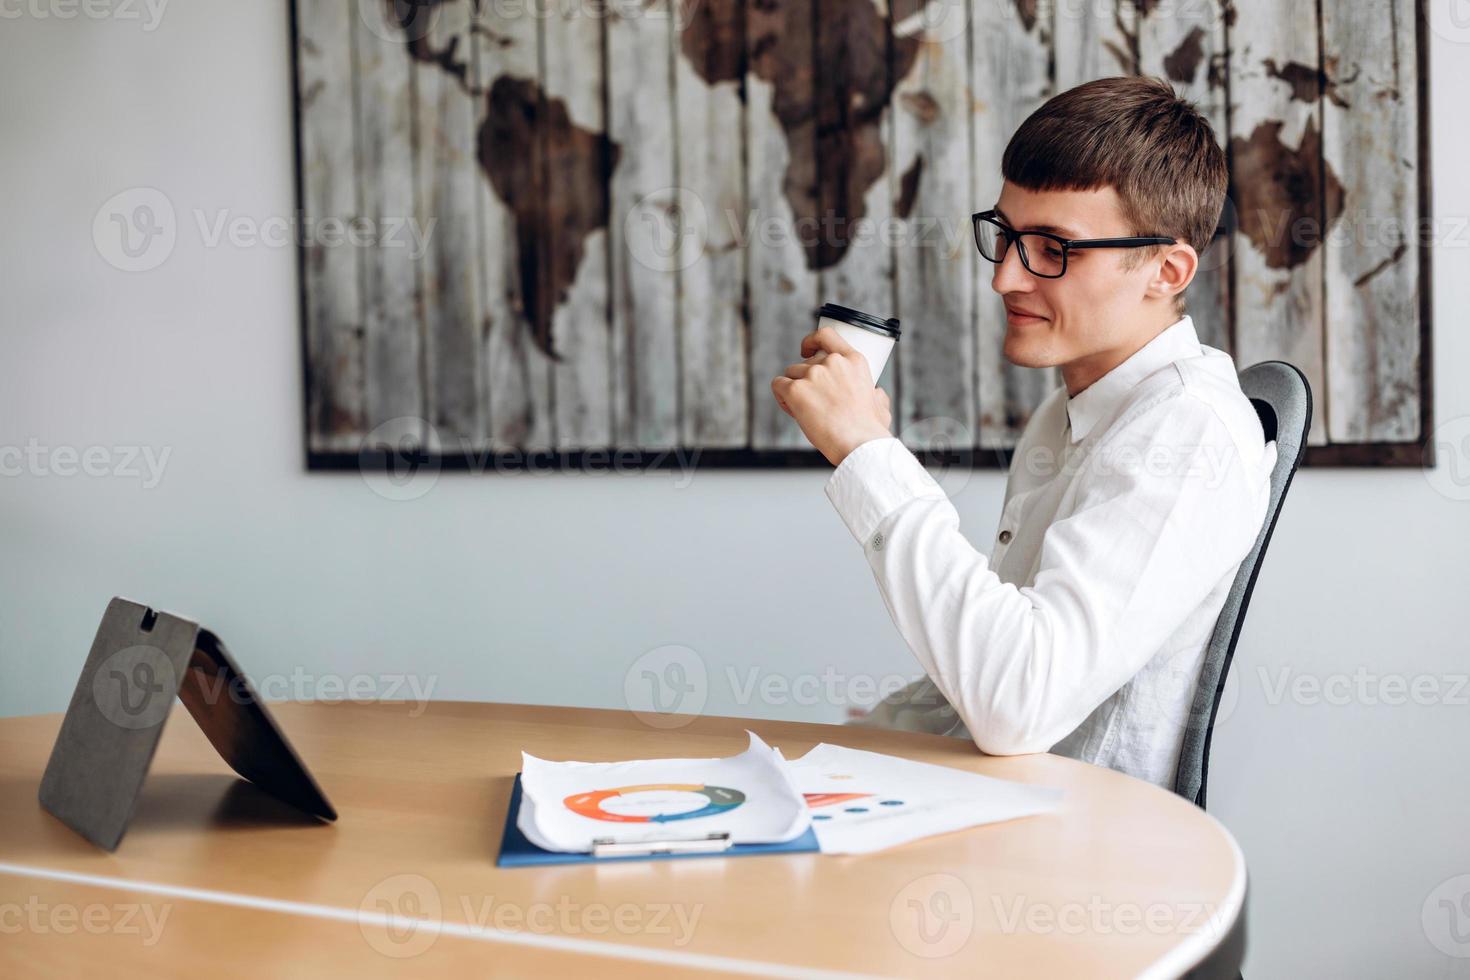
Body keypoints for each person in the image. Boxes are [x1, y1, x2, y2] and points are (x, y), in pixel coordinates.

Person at [770, 75, 1277, 789]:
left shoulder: (1187, 429)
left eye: (1053, 248)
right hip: (1001, 810)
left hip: (1076, 860)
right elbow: (985, 672)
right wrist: (830, 757)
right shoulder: (1069, 413)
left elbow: (1018, 699)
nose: (1006, 277)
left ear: (1166, 269)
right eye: (1006, 236)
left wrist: (867, 453)